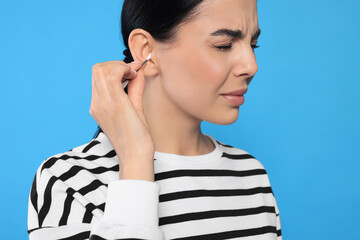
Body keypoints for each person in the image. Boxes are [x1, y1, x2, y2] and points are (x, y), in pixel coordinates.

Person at [27, 0, 282, 239]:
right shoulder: (70, 181)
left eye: (253, 45)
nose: (251, 65)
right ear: (146, 51)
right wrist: (136, 160)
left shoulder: (252, 175)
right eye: (224, 44)